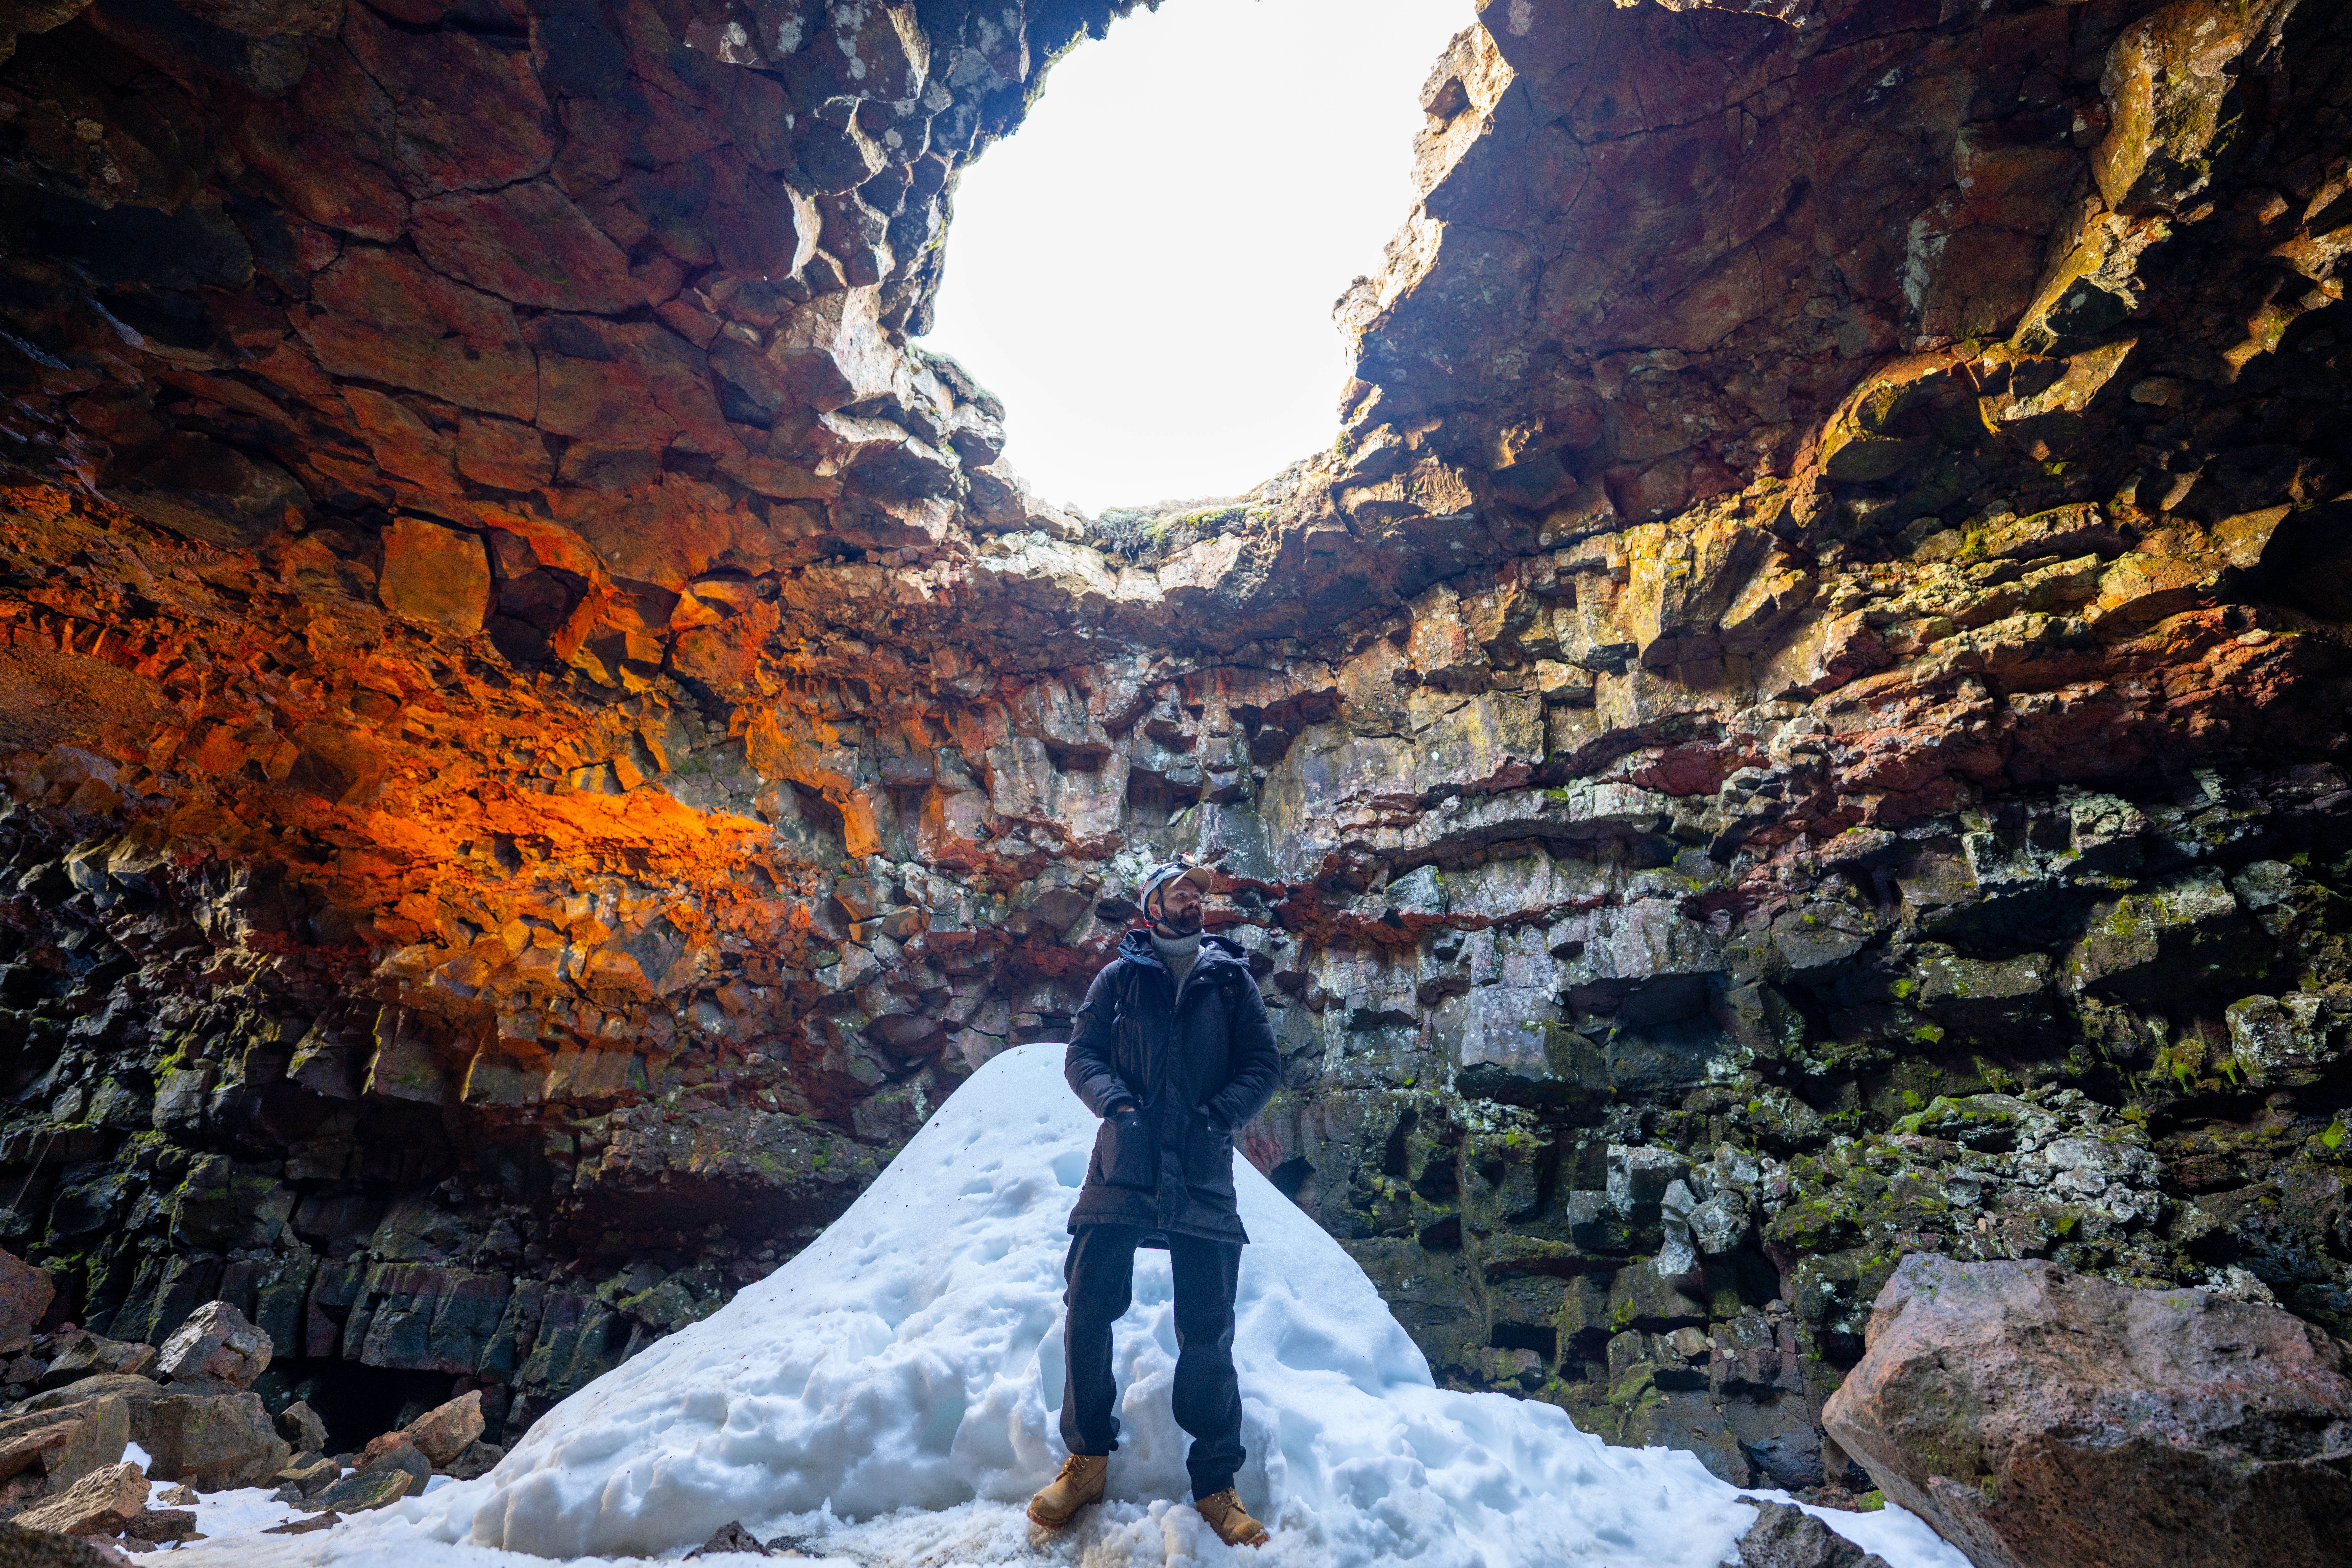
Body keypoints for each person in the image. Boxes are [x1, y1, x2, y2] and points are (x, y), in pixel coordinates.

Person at [1026, 859, 1282, 1547]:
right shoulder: (1119, 978)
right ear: (1153, 905)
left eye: (1200, 892)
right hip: (1123, 1164)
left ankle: (1216, 1486)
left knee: (1209, 1329)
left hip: (1202, 1170)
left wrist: (1217, 1116)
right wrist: (1119, 1107)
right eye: (1180, 891)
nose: (1194, 899)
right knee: (1088, 1305)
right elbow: (1083, 1055)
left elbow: (1263, 1065)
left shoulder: (1230, 982)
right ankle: (1086, 1463)